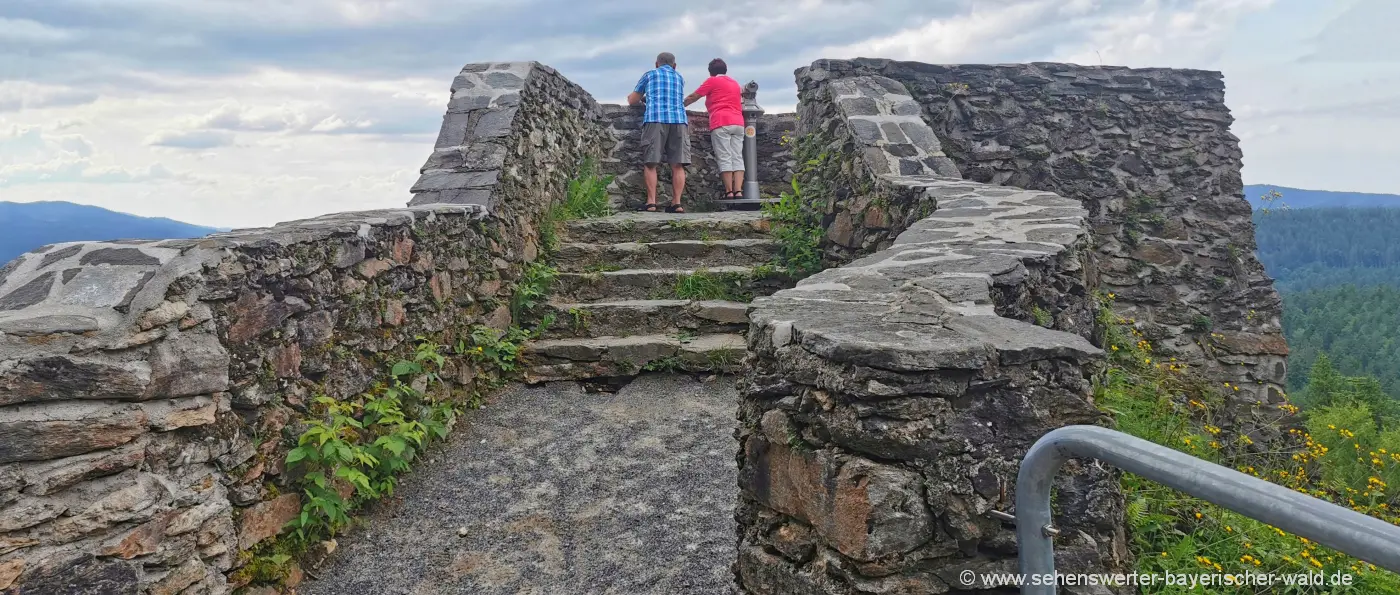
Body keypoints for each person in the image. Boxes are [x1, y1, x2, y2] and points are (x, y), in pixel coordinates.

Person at [627, 52, 689, 213]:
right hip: (679, 121)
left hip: (655, 119)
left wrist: (642, 98)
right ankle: (676, 203)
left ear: (656, 64)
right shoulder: (679, 77)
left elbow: (633, 100)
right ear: (674, 66)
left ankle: (651, 203)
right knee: (678, 165)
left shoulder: (650, 75)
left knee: (650, 163)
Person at [685, 58, 745, 200]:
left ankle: (729, 192)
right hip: (738, 122)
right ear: (725, 70)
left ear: (711, 72)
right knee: (737, 156)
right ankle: (739, 191)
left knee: (724, 156)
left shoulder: (712, 81)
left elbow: (694, 96)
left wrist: (680, 105)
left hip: (721, 121)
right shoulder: (735, 83)